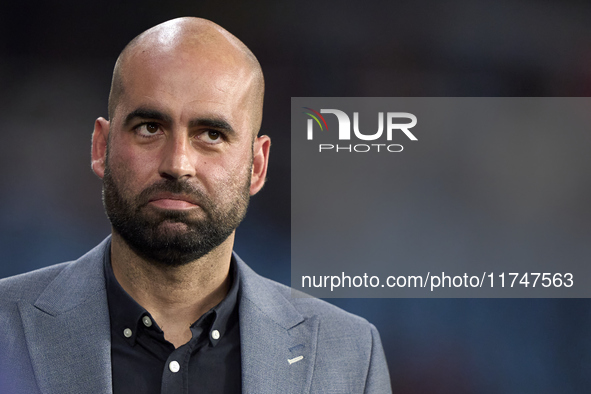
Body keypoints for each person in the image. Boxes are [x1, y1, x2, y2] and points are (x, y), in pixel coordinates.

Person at [0, 17, 391, 393]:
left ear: (257, 166)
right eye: (150, 128)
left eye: (211, 134)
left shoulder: (349, 354)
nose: (177, 164)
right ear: (101, 147)